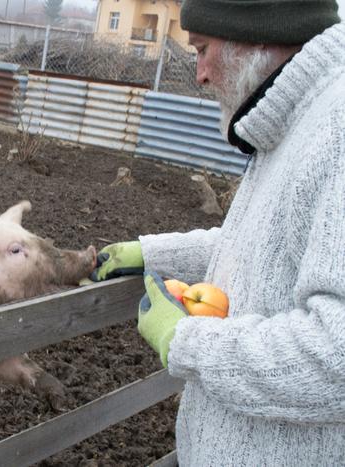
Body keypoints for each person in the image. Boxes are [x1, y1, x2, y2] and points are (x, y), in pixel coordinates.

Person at [90, 1, 345, 465]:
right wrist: (150, 253)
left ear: (257, 33)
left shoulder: (336, 131)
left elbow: (336, 359)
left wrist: (187, 341)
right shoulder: (296, 121)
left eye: (203, 49)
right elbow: (260, 246)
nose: (200, 74)